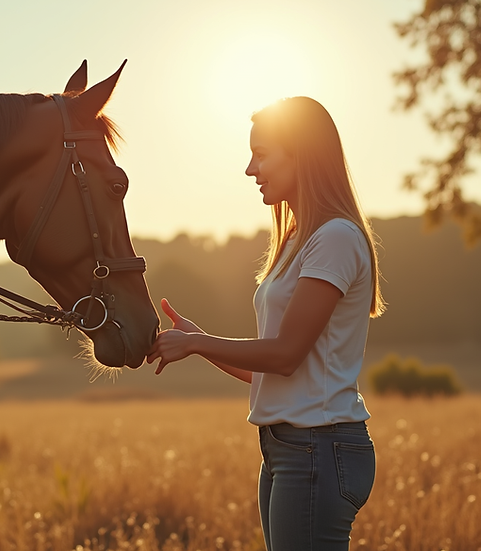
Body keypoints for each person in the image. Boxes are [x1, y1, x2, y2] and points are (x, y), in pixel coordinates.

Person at [146, 96, 386, 550]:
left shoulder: (335, 237)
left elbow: (286, 356)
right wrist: (201, 340)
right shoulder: (299, 239)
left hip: (319, 447)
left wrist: (201, 345)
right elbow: (268, 372)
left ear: (301, 155)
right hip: (287, 448)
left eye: (262, 153)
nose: (250, 168)